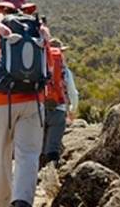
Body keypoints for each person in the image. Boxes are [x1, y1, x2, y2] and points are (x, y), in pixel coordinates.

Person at [0, 0, 47, 207]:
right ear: (25, 9)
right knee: (28, 153)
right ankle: (22, 201)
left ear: (1, 9)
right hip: (34, 100)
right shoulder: (39, 30)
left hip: (1, 101)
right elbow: (47, 69)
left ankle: (2, 203)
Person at [42, 38, 79, 168]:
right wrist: (72, 111)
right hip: (59, 109)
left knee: (38, 145)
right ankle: (51, 173)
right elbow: (73, 93)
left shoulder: (40, 67)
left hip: (39, 109)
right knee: (53, 146)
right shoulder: (65, 71)